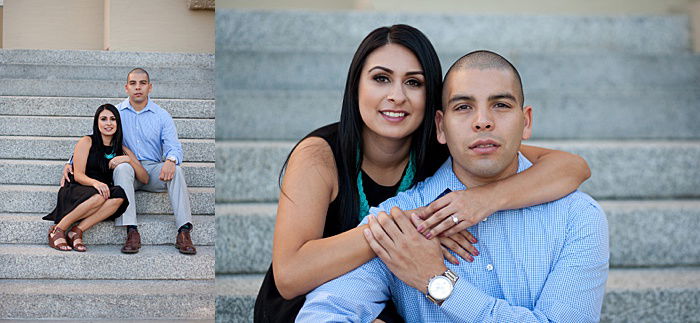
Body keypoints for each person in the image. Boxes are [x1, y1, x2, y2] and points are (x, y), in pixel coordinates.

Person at [254, 25, 592, 322]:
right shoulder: (319, 155)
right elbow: (291, 276)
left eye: (413, 82)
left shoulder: (455, 142)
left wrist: (482, 199)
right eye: (381, 78)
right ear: (356, 85)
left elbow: (571, 167)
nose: (396, 96)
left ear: (432, 105)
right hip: (301, 296)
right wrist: (415, 224)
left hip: (393, 293)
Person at [62, 68, 197, 255]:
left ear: (150, 87)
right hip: (125, 171)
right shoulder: (116, 113)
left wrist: (171, 160)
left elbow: (173, 145)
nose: (138, 87)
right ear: (126, 88)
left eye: (142, 83)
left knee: (178, 171)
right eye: (133, 83)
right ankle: (131, 230)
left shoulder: (162, 115)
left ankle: (184, 231)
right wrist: (71, 162)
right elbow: (95, 138)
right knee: (124, 167)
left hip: (151, 169)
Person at [45, 104, 148, 252]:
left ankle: (77, 231)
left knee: (120, 197)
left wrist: (128, 160)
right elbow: (79, 175)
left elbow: (145, 178)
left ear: (118, 123)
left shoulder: (122, 149)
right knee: (101, 196)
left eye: (113, 119)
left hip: (100, 192)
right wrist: (96, 183)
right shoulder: (87, 141)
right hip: (78, 188)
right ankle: (58, 229)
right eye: (103, 119)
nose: (108, 123)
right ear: (97, 122)